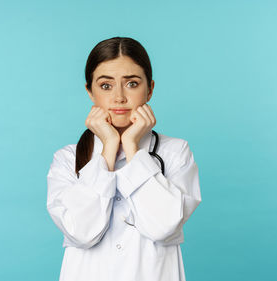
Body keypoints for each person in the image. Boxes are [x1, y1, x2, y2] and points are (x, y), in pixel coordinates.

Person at [46, 37, 202, 281]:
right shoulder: (67, 158)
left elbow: (164, 226)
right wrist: (108, 148)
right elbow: (81, 232)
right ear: (90, 91)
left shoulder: (176, 152)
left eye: (131, 83)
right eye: (106, 86)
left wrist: (132, 148)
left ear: (149, 89)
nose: (119, 97)